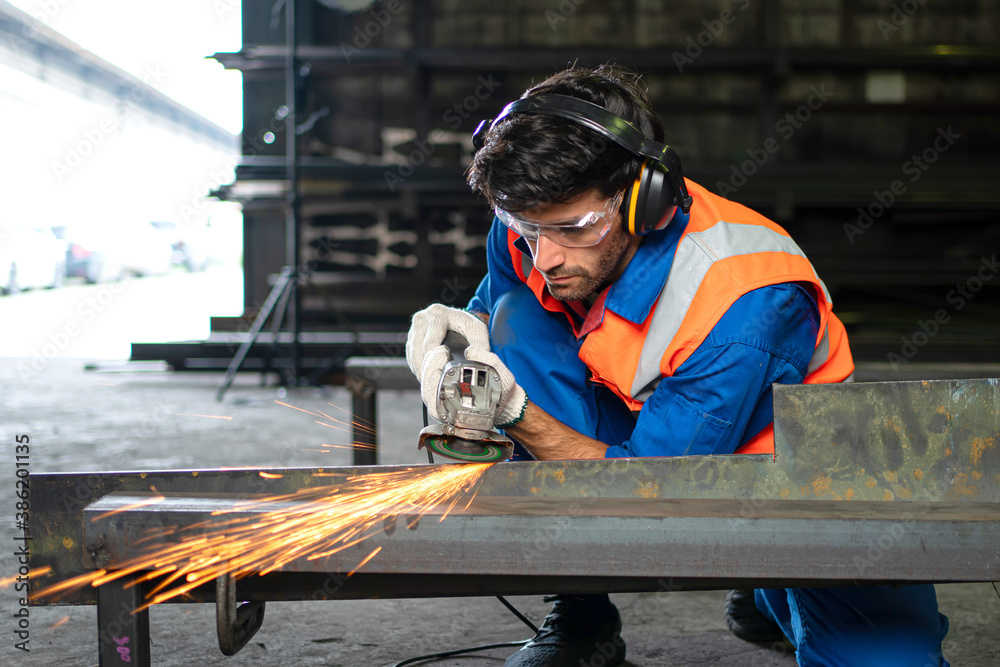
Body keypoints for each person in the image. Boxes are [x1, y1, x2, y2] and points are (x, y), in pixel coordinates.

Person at [405, 64, 950, 667]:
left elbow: (651, 494)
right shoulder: (537, 221)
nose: (546, 257)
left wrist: (515, 413)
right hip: (653, 428)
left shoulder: (746, 303)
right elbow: (500, 313)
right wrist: (456, 338)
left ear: (644, 199)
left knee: (885, 661)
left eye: (571, 229)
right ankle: (583, 616)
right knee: (512, 320)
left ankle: (770, 584)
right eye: (525, 227)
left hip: (795, 474)